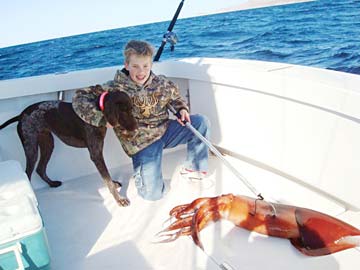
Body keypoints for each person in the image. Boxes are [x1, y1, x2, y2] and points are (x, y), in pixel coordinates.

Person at [72, 40, 210, 201]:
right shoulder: (114, 88)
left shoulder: (162, 83)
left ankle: (194, 169)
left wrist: (182, 109)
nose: (141, 71)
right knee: (152, 195)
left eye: (145, 66)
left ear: (151, 64)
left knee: (201, 122)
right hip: (141, 143)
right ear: (127, 64)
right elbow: (79, 97)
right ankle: (143, 176)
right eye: (135, 66)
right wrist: (101, 119)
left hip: (165, 131)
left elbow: (175, 97)